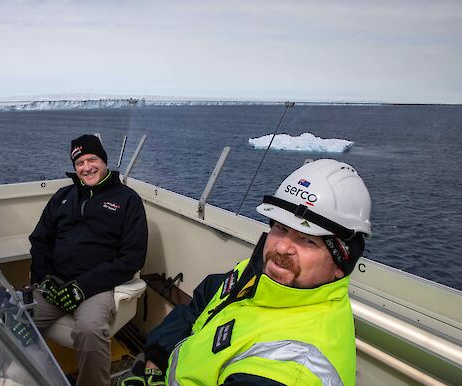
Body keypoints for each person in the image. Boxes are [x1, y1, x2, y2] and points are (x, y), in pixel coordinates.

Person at [124, 159, 371, 386]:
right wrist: (155, 359)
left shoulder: (294, 369)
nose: (283, 247)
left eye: (307, 240)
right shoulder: (258, 274)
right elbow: (201, 304)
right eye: (281, 228)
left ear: (341, 265)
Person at [29, 134, 148, 386]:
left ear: (104, 160)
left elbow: (132, 257)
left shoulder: (127, 200)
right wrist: (44, 278)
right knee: (13, 316)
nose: (86, 167)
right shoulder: (63, 196)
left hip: (95, 288)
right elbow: (39, 241)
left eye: (92, 159)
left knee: (90, 330)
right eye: (79, 163)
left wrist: (83, 287)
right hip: (54, 284)